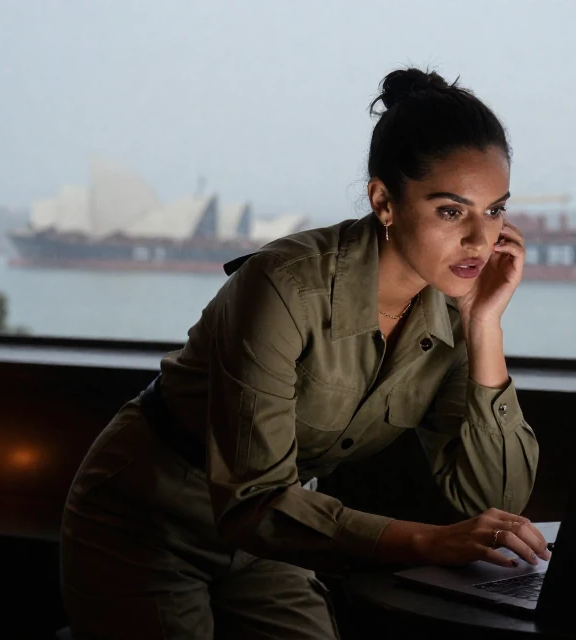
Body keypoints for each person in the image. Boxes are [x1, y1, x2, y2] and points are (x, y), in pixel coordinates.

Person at [60, 67, 547, 640]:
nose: (481, 240)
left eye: (494, 210)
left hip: (278, 535)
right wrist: (427, 541)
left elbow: (496, 501)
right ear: (384, 201)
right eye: (451, 211)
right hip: (148, 514)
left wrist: (484, 327)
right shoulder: (284, 285)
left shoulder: (454, 306)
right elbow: (251, 500)